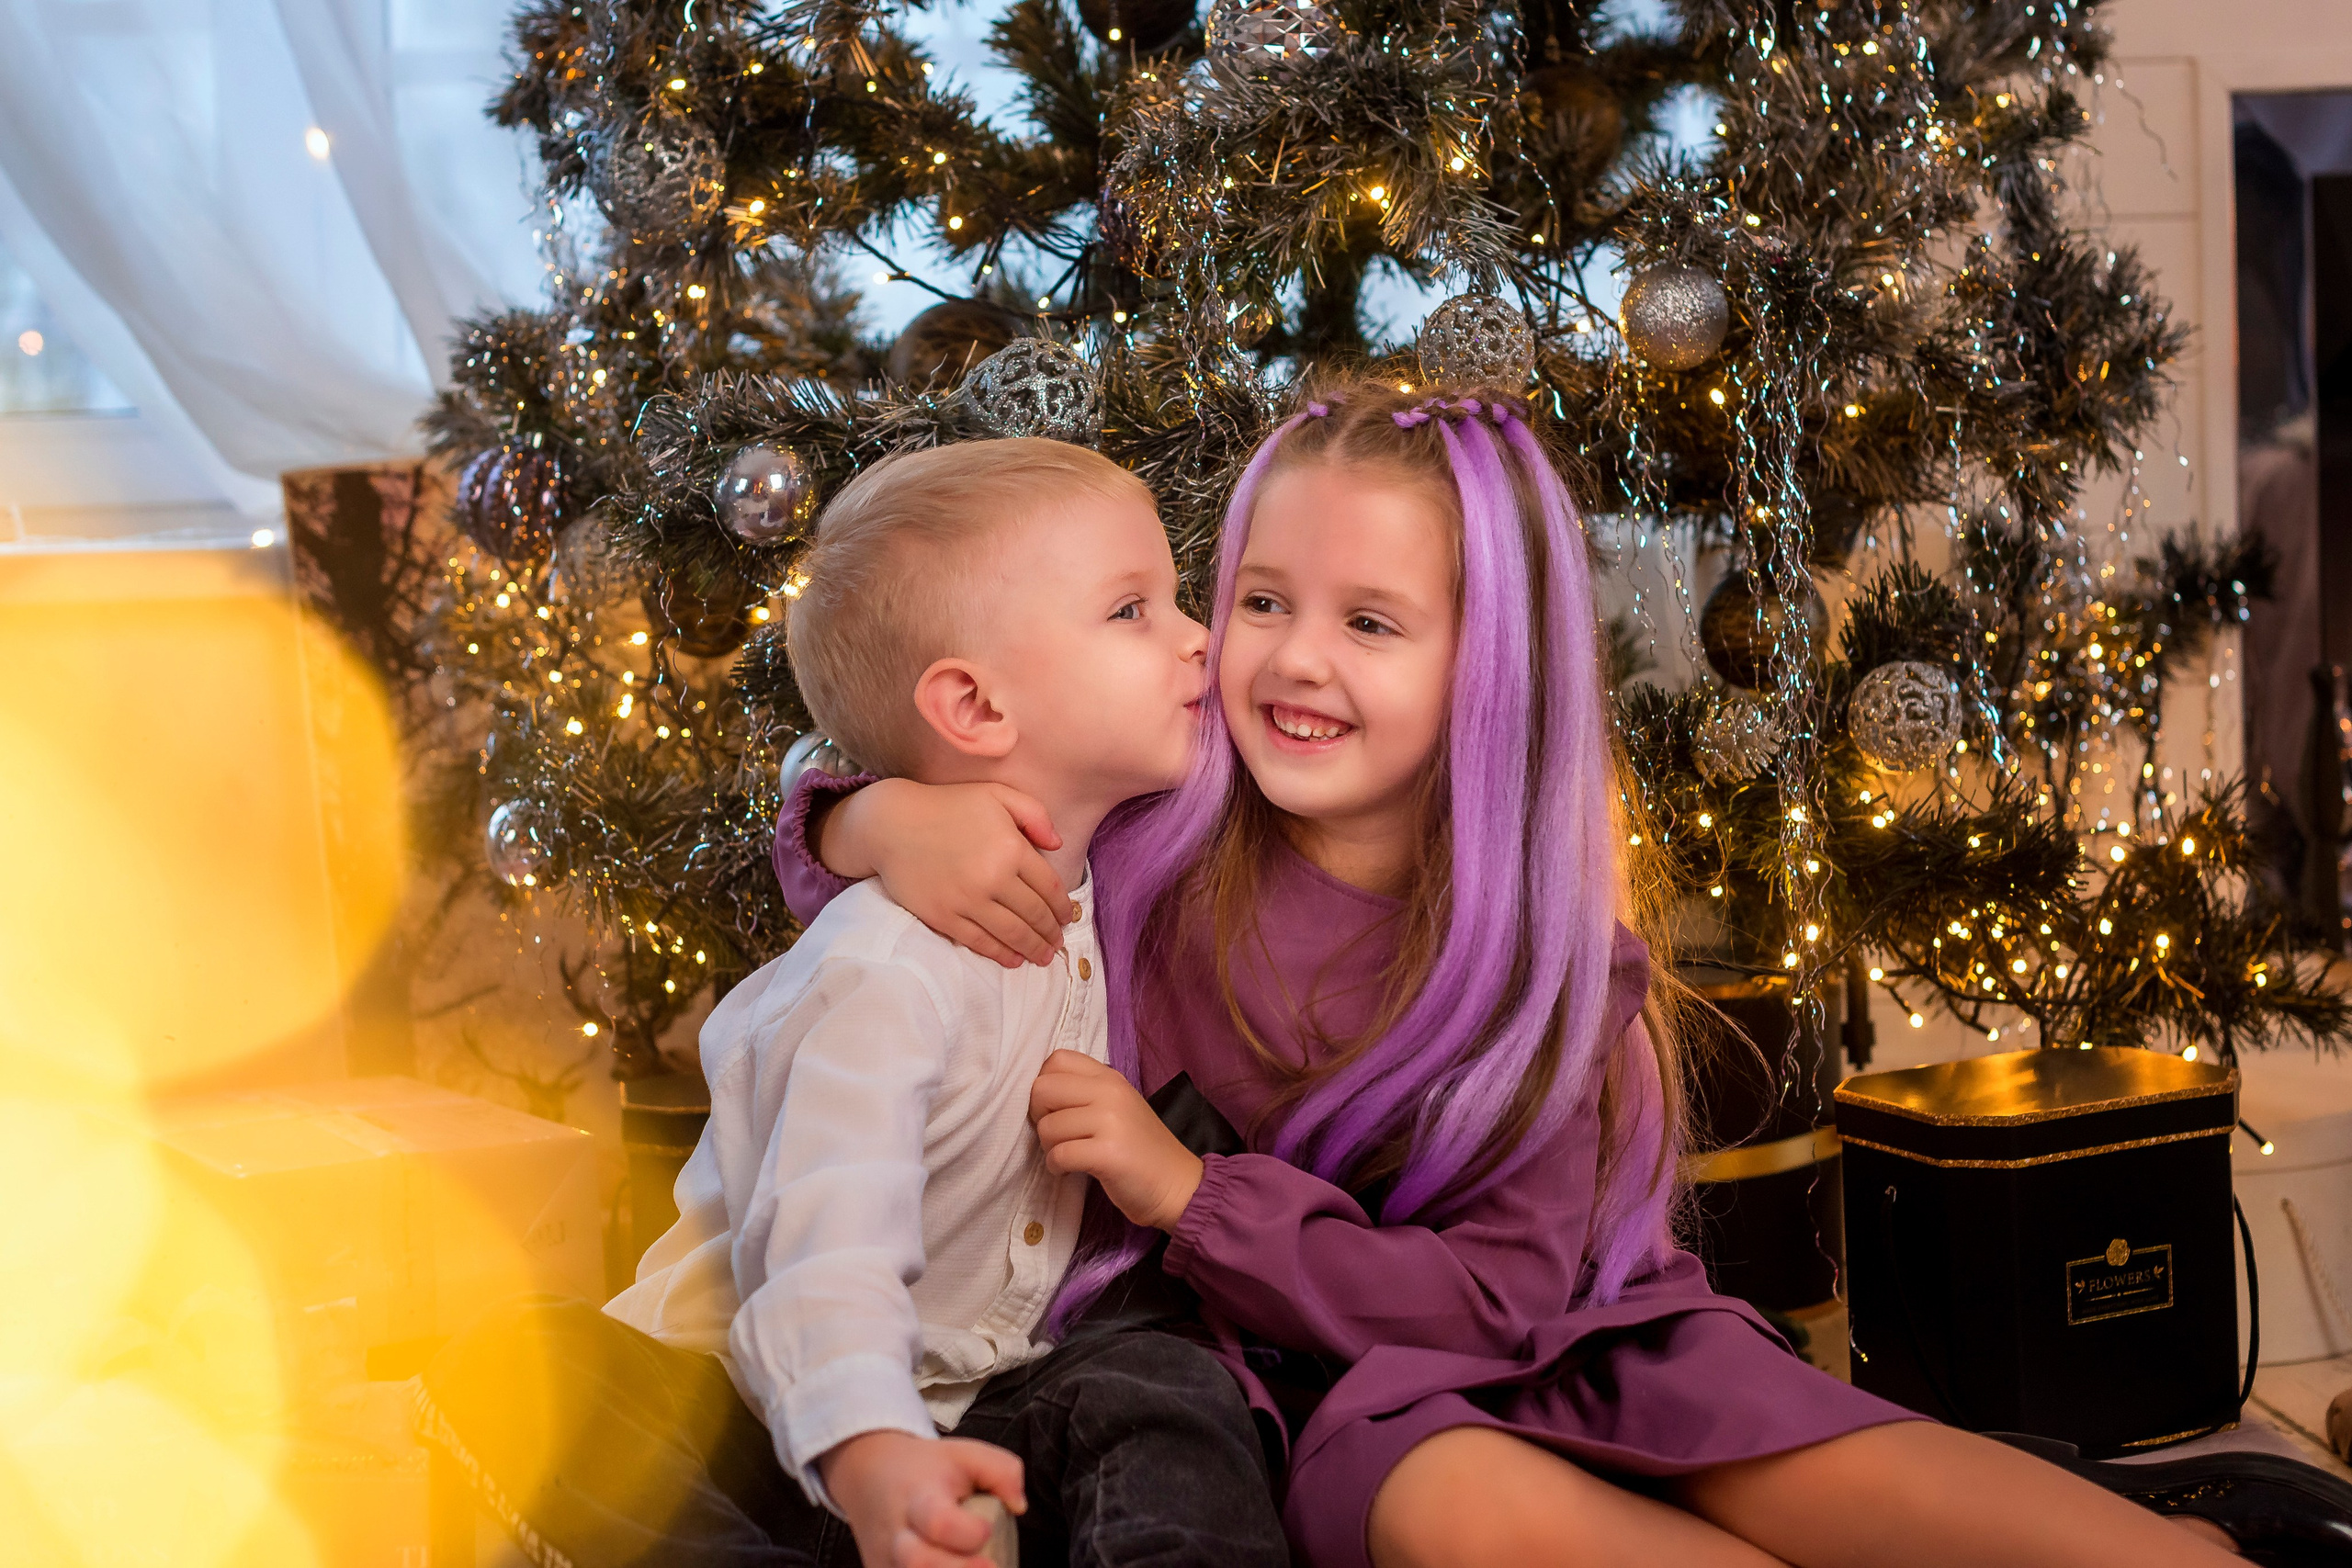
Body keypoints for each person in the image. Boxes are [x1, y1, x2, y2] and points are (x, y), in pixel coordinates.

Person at [773, 383, 2260, 1566]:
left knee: (1823, 1453)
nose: (1292, 659)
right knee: (1464, 1509)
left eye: (1370, 623)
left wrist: (1195, 1191)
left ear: (1490, 665)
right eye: (1264, 600)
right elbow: (897, 871)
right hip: (1311, 1385)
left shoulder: (1556, 975)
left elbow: (1507, 1303)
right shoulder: (1149, 838)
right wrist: (866, 812)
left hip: (1553, 1332)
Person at [418, 438, 1289, 1568]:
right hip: (750, 1399)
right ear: (973, 706)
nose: (1197, 636)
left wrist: (853, 814)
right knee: (535, 1374)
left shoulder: (1125, 865)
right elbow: (822, 1241)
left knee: (1165, 1386)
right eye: (1132, 611)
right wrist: (871, 1452)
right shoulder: (885, 969)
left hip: (983, 1391)